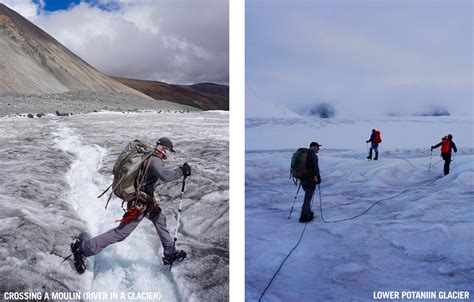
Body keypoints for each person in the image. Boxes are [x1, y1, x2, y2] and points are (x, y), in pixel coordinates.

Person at [71, 137, 192, 273]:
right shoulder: (155, 160)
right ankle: (83, 250)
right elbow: (164, 175)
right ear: (164, 149)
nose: (167, 155)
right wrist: (182, 171)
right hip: (139, 204)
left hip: (145, 201)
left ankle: (170, 252)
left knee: (159, 219)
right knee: (121, 233)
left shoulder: (149, 156)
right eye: (168, 151)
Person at [299, 142, 322, 223]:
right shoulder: (313, 156)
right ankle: (304, 216)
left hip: (302, 179)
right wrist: (318, 178)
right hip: (309, 179)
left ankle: (307, 212)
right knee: (308, 197)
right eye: (317, 147)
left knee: (308, 196)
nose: (319, 149)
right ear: (314, 147)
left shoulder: (305, 154)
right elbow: (316, 168)